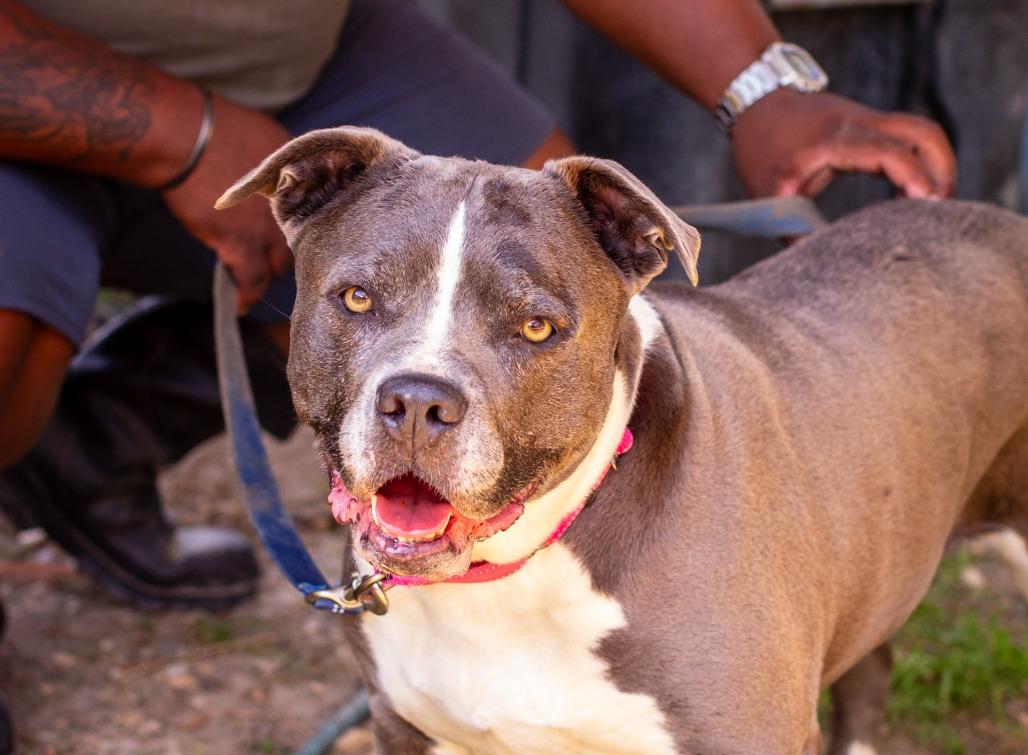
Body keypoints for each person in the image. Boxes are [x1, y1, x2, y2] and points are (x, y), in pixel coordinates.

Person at [0, 0, 955, 609]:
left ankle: (96, 437)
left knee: (519, 257)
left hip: (306, 53)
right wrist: (187, 136)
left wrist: (758, 92)